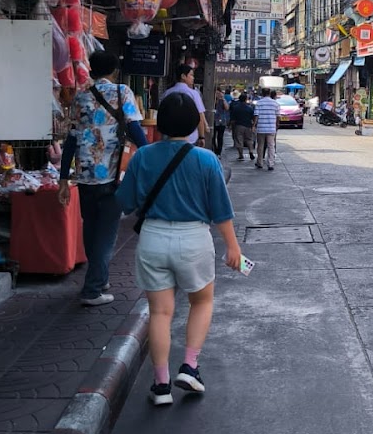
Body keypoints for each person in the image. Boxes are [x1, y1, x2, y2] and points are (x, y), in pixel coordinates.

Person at [117, 93, 240, 405]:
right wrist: (232, 247)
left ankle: (161, 386)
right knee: (201, 302)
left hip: (153, 239)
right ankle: (190, 365)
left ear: (159, 124)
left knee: (159, 312)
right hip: (194, 240)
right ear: (192, 126)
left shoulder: (143, 157)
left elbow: (126, 203)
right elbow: (220, 212)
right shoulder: (206, 159)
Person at [58, 50, 147, 306]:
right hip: (112, 173)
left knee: (91, 226)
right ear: (114, 70)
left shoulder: (80, 97)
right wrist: (152, 154)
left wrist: (63, 178)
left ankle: (100, 276)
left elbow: (71, 140)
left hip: (84, 174)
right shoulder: (122, 92)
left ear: (92, 70)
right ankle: (92, 289)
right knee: (107, 232)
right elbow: (134, 129)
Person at [159, 64, 208, 145]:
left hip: (168, 138)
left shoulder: (167, 93)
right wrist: (202, 137)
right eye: (191, 75)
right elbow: (200, 117)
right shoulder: (193, 94)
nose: (193, 78)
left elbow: (162, 114)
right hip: (189, 139)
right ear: (183, 76)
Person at [254, 87, 279, 170]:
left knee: (260, 146)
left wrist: (254, 125)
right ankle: (270, 164)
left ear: (262, 93)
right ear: (269, 93)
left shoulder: (259, 103)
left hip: (261, 128)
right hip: (271, 128)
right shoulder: (275, 103)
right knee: (271, 146)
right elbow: (278, 116)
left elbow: (256, 115)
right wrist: (276, 126)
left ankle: (260, 162)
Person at [229, 91, 256, 160]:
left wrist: (230, 126)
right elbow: (253, 117)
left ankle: (241, 155)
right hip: (248, 125)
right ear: (246, 99)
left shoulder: (236, 108)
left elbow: (232, 119)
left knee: (239, 140)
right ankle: (251, 151)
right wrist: (253, 125)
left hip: (238, 125)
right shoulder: (250, 108)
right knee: (249, 139)